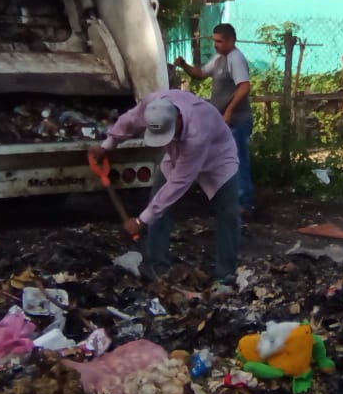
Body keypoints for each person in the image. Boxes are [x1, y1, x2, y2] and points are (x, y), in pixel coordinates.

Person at [89, 88, 240, 290]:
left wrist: (141, 220)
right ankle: (157, 267)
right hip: (177, 152)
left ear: (178, 119)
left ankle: (225, 274)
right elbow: (130, 120)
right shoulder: (153, 106)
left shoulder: (197, 131)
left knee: (228, 212)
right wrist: (107, 144)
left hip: (218, 156)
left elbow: (178, 184)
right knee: (158, 204)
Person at [174, 23, 254, 214]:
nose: (216, 45)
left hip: (237, 120)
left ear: (231, 41)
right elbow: (201, 74)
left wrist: (228, 112)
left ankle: (245, 203)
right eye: (215, 41)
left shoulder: (235, 59)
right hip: (223, 121)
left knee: (238, 160)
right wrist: (184, 65)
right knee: (222, 160)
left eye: (219, 41)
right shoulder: (220, 58)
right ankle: (228, 198)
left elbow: (244, 87)